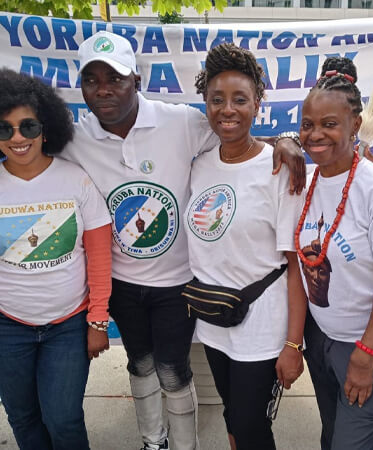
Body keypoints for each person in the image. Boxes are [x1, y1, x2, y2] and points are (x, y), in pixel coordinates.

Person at [61, 31, 306, 450]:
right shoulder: (74, 138)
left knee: (179, 375)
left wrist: (289, 140)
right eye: (91, 79)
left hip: (182, 288)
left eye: (115, 78)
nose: (103, 89)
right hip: (131, 285)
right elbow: (25, 150)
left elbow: (239, 137)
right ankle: (153, 442)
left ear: (136, 80)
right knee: (141, 367)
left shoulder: (180, 122)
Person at [186, 42, 307, 450]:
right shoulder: (200, 164)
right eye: (216, 99)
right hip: (213, 321)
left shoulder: (278, 168)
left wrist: (293, 344)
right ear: (205, 104)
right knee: (232, 416)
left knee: (251, 426)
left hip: (262, 328)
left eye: (240, 99)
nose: (228, 109)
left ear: (258, 103)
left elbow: (295, 265)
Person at [296, 57, 373, 450]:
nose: (316, 134)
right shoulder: (304, 182)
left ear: (355, 125)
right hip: (323, 340)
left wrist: (365, 354)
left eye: (329, 124)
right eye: (308, 125)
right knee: (331, 434)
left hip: (372, 346)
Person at [0, 69, 112, 450]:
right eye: (5, 129)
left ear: (45, 129)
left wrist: (98, 320)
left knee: (63, 419)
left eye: (28, 126)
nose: (18, 138)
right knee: (22, 416)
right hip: (8, 327)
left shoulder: (76, 179)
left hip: (68, 326)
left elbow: (99, 256)